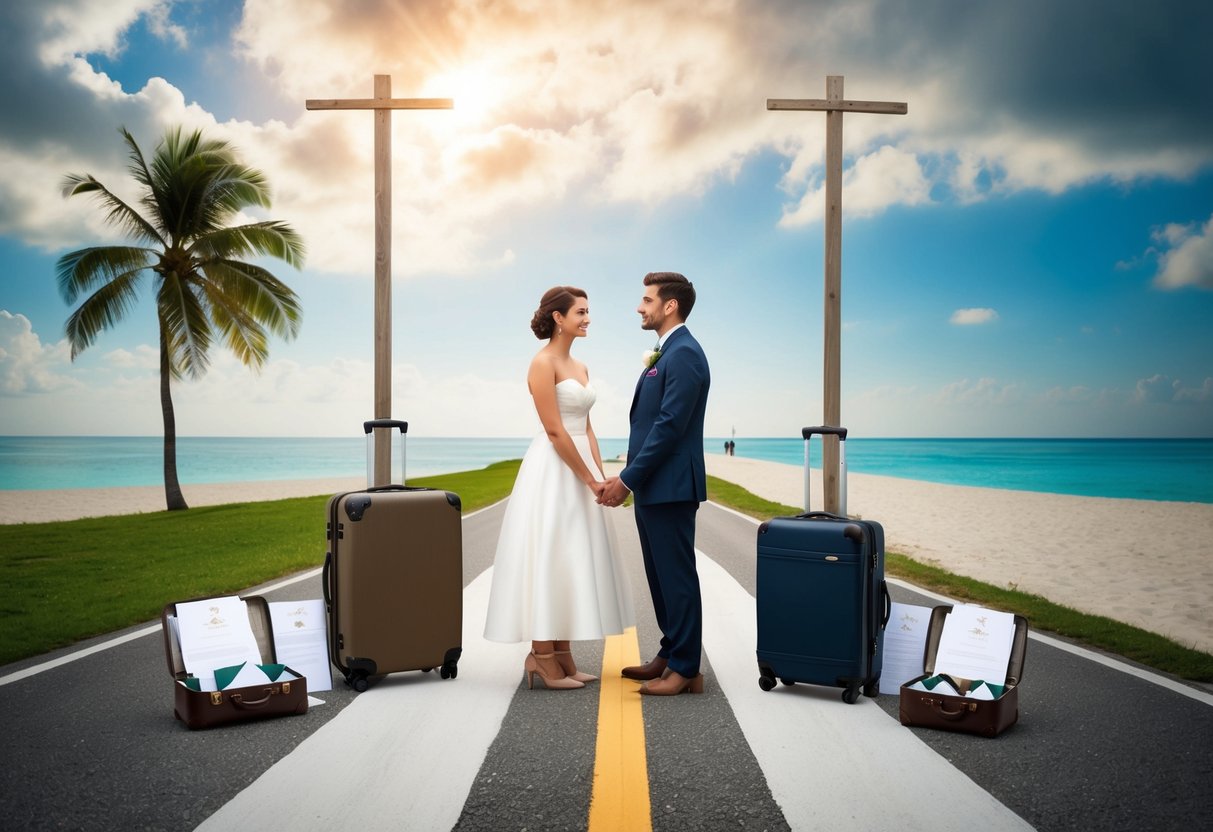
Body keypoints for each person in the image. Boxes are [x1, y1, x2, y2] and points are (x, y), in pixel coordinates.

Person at [484, 286, 634, 690]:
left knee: (571, 557)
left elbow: (586, 427)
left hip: (582, 463)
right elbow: (554, 430)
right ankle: (542, 656)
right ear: (558, 317)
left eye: (588, 312)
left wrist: (602, 478)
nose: (587, 319)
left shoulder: (581, 367)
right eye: (581, 312)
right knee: (550, 555)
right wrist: (586, 477)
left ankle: (564, 657)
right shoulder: (542, 362)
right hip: (553, 470)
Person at [599, 272, 710, 696]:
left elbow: (668, 427)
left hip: (671, 486)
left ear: (670, 306)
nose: (639, 307)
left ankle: (686, 670)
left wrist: (626, 480)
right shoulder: (668, 352)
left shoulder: (685, 354)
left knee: (677, 578)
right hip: (655, 486)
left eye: (646, 300)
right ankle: (670, 653)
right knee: (661, 577)